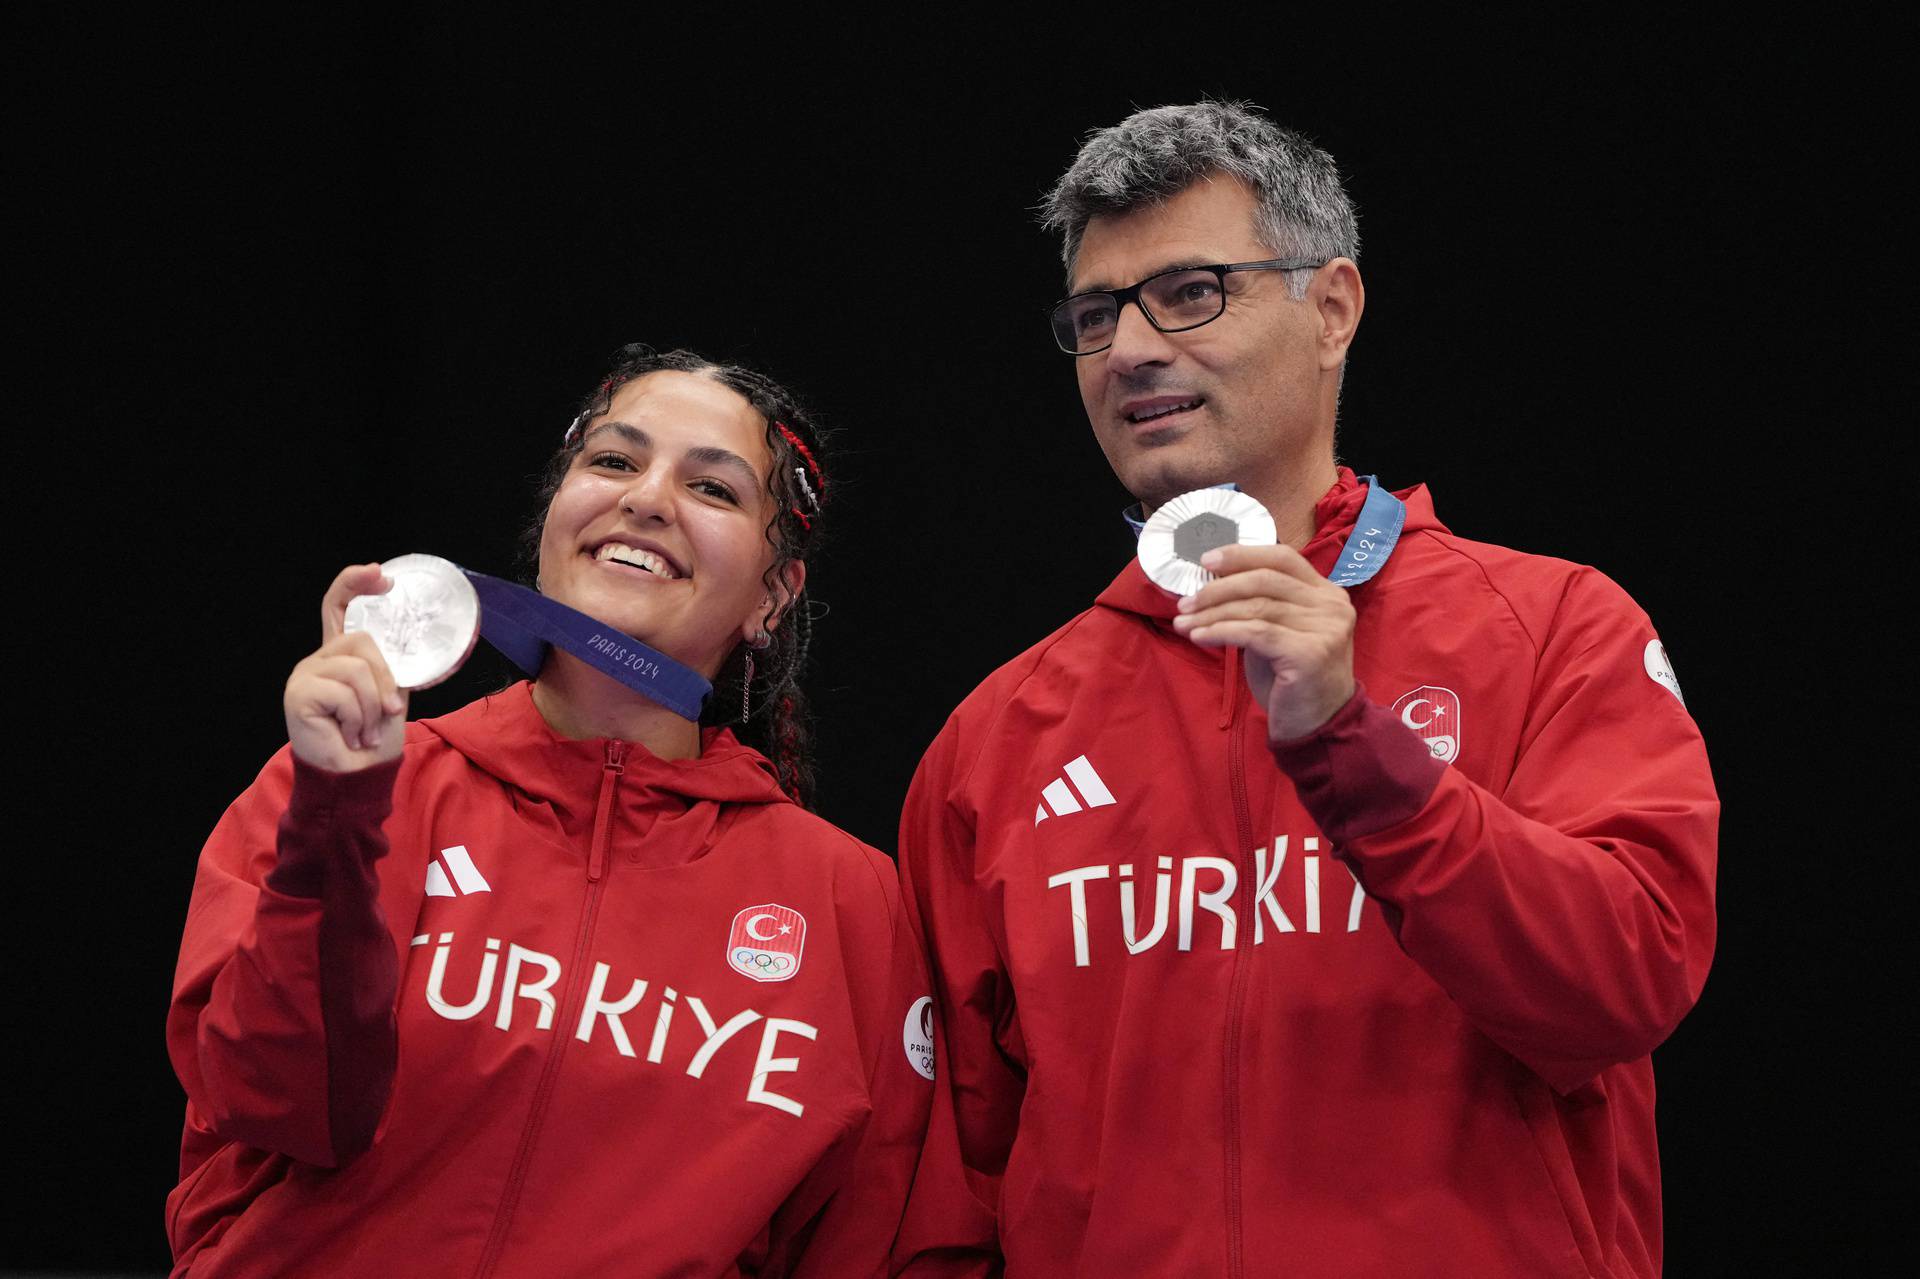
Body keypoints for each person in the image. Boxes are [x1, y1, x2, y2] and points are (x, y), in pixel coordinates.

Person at [892, 102, 1718, 1277]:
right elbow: (948, 1201)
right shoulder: (994, 740)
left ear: (1331, 310)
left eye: (1189, 292)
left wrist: (1364, 759)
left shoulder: (1557, 629)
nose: (1129, 348)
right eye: (1095, 314)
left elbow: (1627, 983)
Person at [166, 345, 934, 1277]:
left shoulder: (850, 902)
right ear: (553, 519)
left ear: (772, 596)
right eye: (614, 461)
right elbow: (274, 1103)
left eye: (715, 489)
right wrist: (339, 816)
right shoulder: (348, 786)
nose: (647, 498)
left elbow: (873, 1243)